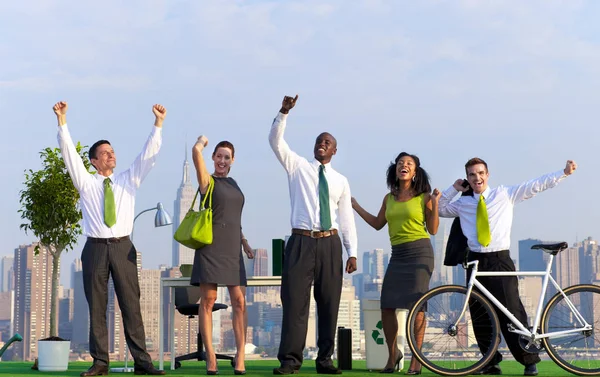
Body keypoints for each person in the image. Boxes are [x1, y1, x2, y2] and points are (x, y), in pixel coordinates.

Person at [53, 101, 166, 376]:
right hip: (95, 249)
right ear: (93, 161)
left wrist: (158, 125)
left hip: (123, 247)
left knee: (131, 305)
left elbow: (147, 155)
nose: (111, 155)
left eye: (112, 151)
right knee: (97, 307)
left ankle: (143, 363)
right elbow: (69, 155)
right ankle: (100, 362)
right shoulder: (87, 183)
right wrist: (62, 120)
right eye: (105, 153)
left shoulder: (129, 180)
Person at [438, 157, 578, 377]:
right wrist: (453, 189)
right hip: (475, 260)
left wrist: (563, 173)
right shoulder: (463, 204)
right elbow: (439, 209)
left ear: (488, 174)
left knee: (512, 313)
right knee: (480, 315)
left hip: (500, 260)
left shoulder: (504, 194)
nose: (477, 178)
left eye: (481, 173)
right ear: (467, 178)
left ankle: (529, 361)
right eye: (472, 174)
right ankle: (489, 363)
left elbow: (535, 185)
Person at [269, 95, 358, 375]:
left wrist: (352, 251)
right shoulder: (297, 167)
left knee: (329, 303)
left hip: (330, 244)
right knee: (295, 302)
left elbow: (346, 218)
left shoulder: (340, 180)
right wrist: (283, 113)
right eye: (319, 141)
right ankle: (290, 361)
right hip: (301, 242)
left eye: (327, 142)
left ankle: (324, 360)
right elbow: (276, 142)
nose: (322, 144)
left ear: (334, 150)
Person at [352, 152, 439, 375]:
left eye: (409, 164)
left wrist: (435, 204)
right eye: (401, 163)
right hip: (398, 255)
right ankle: (393, 356)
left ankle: (416, 360)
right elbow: (377, 223)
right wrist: (355, 206)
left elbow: (433, 229)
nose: (404, 165)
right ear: (396, 169)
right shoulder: (388, 198)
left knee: (417, 308)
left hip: (420, 253)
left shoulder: (424, 197)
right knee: (387, 305)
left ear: (415, 171)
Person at [190, 135, 255, 376]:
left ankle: (240, 356)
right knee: (207, 301)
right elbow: (197, 158)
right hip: (210, 248)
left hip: (232, 249)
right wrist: (199, 145)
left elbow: (233, 219)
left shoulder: (235, 184)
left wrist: (244, 242)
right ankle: (211, 356)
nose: (222, 160)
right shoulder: (208, 182)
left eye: (226, 157)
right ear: (213, 158)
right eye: (218, 156)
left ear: (232, 160)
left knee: (239, 301)